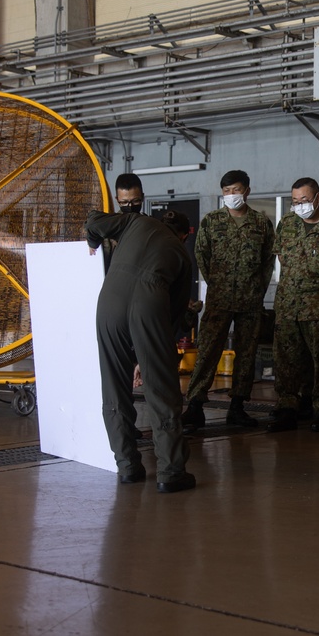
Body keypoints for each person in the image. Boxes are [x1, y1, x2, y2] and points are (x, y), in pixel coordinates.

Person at [85, 208, 195, 493]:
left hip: (109, 300)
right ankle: (170, 472)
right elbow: (174, 315)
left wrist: (92, 242)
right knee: (161, 391)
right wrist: (145, 360)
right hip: (151, 303)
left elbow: (95, 221)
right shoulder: (182, 254)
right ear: (184, 235)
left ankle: (127, 467)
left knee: (113, 386)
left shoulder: (136, 220)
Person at [182, 170, 275, 430]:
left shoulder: (260, 223)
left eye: (235, 190)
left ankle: (237, 407)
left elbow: (268, 261)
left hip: (250, 300)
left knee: (246, 355)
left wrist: (257, 289)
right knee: (208, 352)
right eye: (226, 191)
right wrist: (217, 284)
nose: (231, 195)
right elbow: (201, 255)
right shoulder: (211, 221)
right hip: (219, 299)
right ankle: (195, 406)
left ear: (247, 190)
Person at [269, 177, 319, 433]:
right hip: (288, 305)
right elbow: (282, 255)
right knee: (286, 359)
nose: (299, 205)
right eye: (295, 201)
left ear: (317, 198)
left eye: (304, 200)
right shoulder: (287, 223)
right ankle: (287, 407)